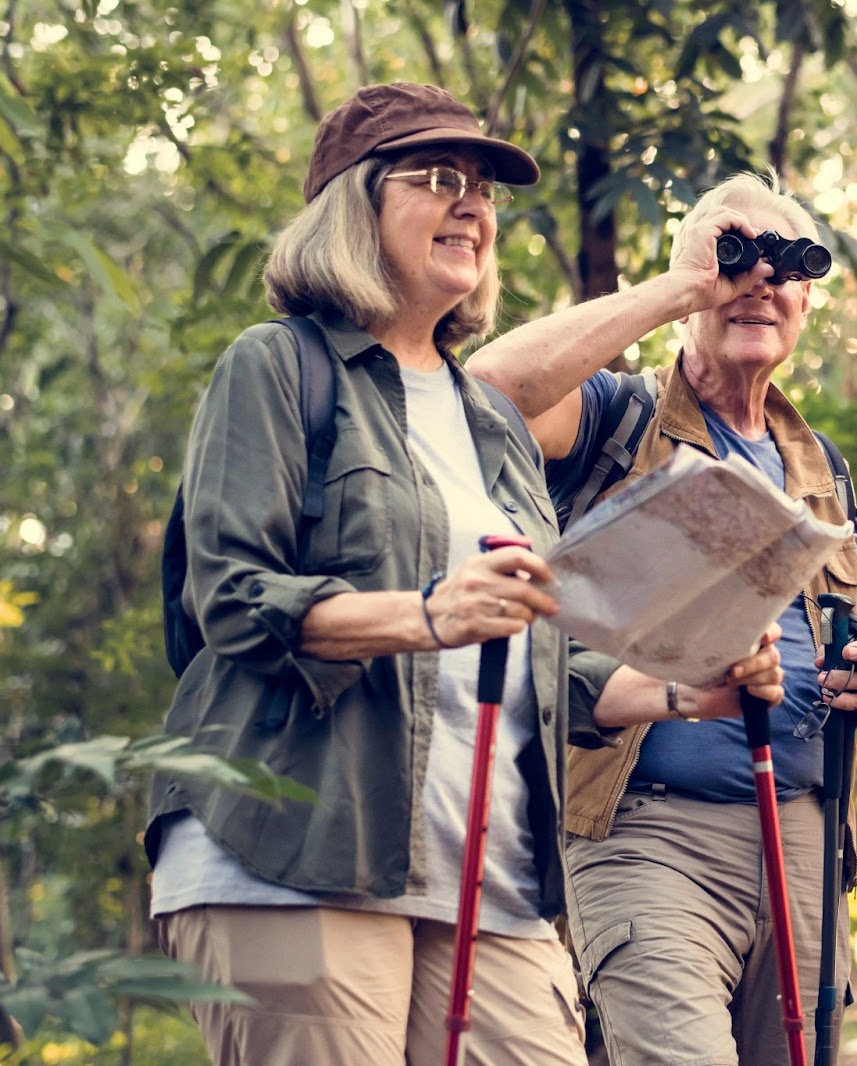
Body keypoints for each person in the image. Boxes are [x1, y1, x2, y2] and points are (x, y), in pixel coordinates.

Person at [143, 83, 780, 1066]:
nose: (472, 206)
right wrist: (425, 612)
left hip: (489, 880)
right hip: (293, 854)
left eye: (482, 189)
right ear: (352, 206)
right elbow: (228, 597)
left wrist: (687, 690)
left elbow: (539, 655)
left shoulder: (489, 426)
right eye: (438, 179)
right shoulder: (279, 367)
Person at [468, 171, 857, 1065]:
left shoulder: (821, 466)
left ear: (808, 299)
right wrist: (681, 288)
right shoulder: (616, 415)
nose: (761, 283)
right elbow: (489, 389)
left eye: (786, 266)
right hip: (648, 832)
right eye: (736, 258)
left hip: (807, 842)